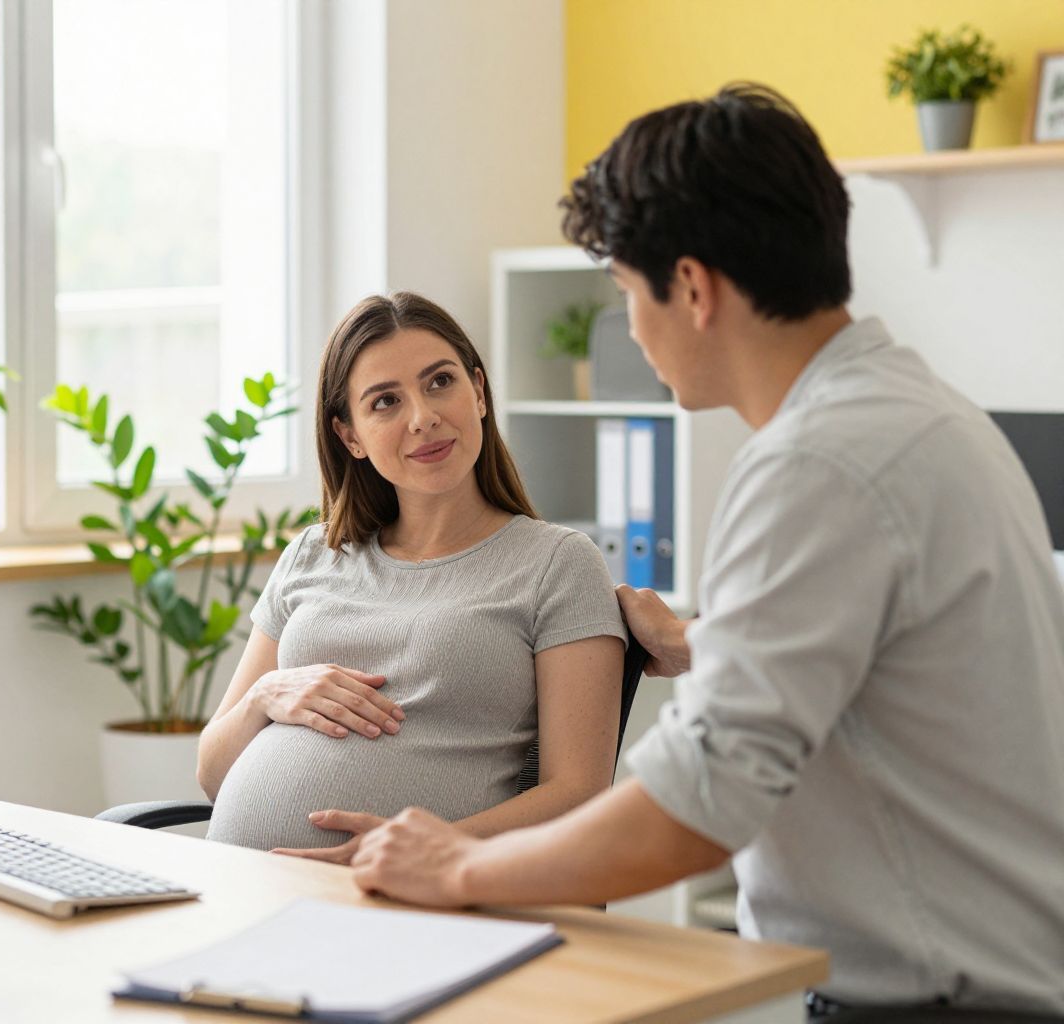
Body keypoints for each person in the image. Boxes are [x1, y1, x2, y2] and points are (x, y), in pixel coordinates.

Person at [349, 84, 1064, 1019]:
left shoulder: (818, 465)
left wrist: (462, 867)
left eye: (625, 295)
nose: (631, 332)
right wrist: (698, 644)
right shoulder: (921, 414)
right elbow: (882, 666)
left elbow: (699, 803)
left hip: (930, 1001)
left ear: (691, 288)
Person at [196, 291, 628, 861]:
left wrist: (415, 849)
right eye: (385, 402)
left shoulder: (557, 564)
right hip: (239, 889)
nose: (423, 417)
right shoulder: (313, 552)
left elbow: (579, 796)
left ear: (478, 392)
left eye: (440, 382)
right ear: (349, 436)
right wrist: (264, 695)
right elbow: (210, 775)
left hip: (415, 903)